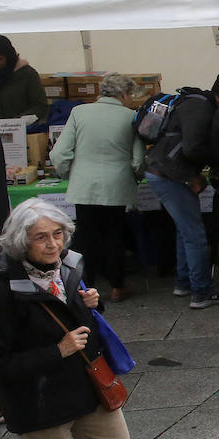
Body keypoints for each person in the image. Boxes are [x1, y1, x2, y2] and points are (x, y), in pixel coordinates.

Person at [0, 199, 134, 439]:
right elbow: (2, 363)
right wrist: (56, 351)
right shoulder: (2, 285)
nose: (52, 244)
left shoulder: (70, 264)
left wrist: (93, 304)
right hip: (38, 398)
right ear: (21, 241)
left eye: (58, 234)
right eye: (41, 237)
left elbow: (74, 318)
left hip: (88, 385)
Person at [48, 73, 144, 302]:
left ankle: (86, 286)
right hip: (117, 184)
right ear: (123, 94)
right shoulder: (131, 116)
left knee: (86, 236)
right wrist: (136, 176)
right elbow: (138, 160)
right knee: (114, 234)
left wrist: (67, 173)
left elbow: (60, 153)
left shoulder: (79, 112)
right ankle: (117, 286)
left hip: (84, 185)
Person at [143, 80, 219, 308]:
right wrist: (198, 172)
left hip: (161, 170)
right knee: (195, 235)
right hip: (170, 173)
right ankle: (201, 292)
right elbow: (191, 147)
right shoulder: (200, 107)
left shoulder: (194, 102)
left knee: (185, 231)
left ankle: (184, 282)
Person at [0, 35, 50, 121]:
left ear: (9, 57)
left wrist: (17, 122)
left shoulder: (28, 75)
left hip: (23, 130)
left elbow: (40, 107)